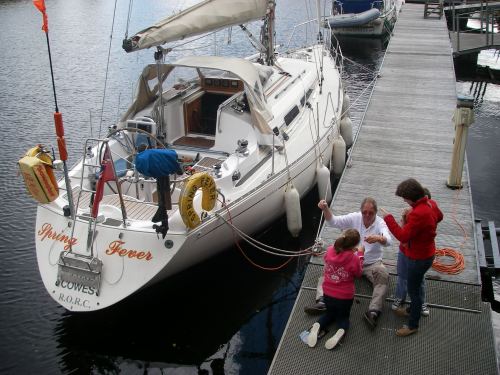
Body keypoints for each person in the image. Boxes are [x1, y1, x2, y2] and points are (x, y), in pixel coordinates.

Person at [305, 197, 393, 329]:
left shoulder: (380, 223)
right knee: (328, 268)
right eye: (364, 212)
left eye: (371, 213)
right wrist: (325, 209)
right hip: (351, 261)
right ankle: (322, 300)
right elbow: (333, 221)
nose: (367, 215)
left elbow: (389, 240)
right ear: (361, 211)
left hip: (371, 263)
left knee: (383, 274)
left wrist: (379, 238)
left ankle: (373, 311)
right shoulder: (355, 217)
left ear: (376, 213)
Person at [381, 178, 443, 337]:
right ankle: (411, 310)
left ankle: (412, 325)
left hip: (418, 258)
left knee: (413, 291)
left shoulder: (418, 213)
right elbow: (440, 216)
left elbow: (402, 236)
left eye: (405, 198)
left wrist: (389, 218)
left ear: (411, 197)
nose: (404, 200)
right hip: (427, 252)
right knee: (415, 286)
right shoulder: (431, 203)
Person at [307, 229, 363, 349]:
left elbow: (328, 259)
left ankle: (317, 325)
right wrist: (360, 255)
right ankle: (341, 330)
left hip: (328, 292)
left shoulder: (330, 250)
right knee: (343, 317)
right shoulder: (354, 258)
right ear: (354, 245)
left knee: (329, 314)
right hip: (344, 297)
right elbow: (358, 273)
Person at [392, 188, 433, 317]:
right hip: (404, 252)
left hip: (417, 256)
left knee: (418, 279)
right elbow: (403, 238)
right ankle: (400, 297)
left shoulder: (426, 216)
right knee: (402, 276)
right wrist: (404, 221)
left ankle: (421, 303)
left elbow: (405, 238)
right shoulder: (410, 214)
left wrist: (390, 219)